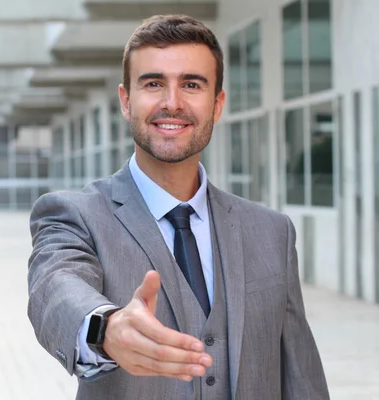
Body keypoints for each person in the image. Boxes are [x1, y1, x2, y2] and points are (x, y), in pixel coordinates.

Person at [27, 14, 329, 400]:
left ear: (217, 104)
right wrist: (106, 328)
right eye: (153, 83)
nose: (172, 103)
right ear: (126, 101)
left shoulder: (273, 232)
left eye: (191, 84)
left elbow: (302, 379)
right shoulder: (74, 215)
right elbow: (55, 285)